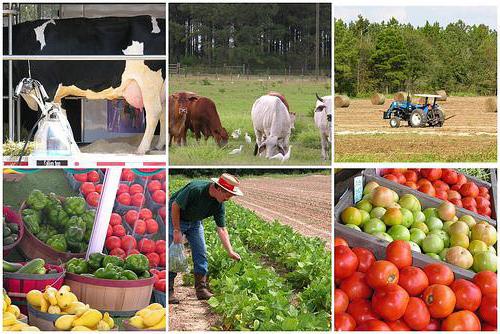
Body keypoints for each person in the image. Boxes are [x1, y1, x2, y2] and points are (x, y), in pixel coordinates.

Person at [168, 173, 243, 304]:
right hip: (176, 218)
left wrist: (230, 251)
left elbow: (222, 228)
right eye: (229, 195)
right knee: (173, 254)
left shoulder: (219, 204)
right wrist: (176, 230)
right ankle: (168, 291)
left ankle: (201, 289)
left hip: (196, 222)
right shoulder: (195, 189)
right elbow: (175, 206)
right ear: (219, 189)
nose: (229, 199)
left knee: (201, 253)